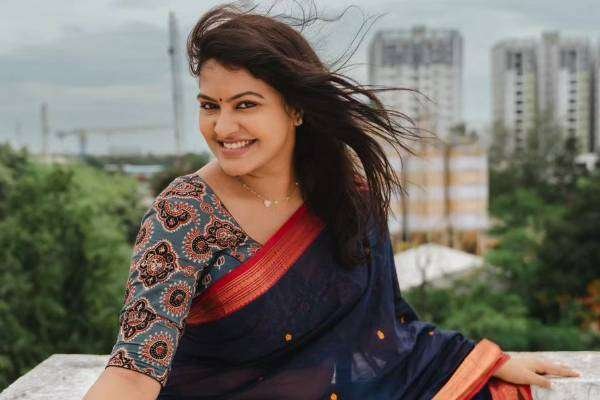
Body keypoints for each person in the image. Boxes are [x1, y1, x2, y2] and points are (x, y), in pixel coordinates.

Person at [83, 3, 579, 399]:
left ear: (295, 109)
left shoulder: (346, 195)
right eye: (209, 106)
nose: (223, 126)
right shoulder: (183, 214)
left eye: (246, 105)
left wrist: (486, 362)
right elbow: (132, 370)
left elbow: (389, 328)